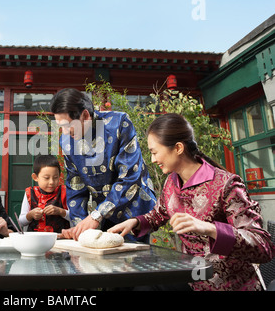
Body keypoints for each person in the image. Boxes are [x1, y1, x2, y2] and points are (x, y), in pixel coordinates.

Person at [108, 113, 275, 291]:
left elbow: (262, 246)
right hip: (193, 279)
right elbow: (158, 215)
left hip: (232, 285)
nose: (153, 160)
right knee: (137, 285)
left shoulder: (226, 184)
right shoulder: (171, 182)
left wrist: (210, 229)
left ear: (178, 148)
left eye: (155, 152)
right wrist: (134, 222)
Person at [50, 88, 156, 241]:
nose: (65, 132)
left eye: (68, 126)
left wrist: (97, 214)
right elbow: (75, 186)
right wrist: (79, 228)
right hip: (102, 213)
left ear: (85, 115)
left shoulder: (119, 123)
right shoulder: (66, 142)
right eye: (61, 127)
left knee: (134, 259)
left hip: (133, 207)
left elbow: (130, 177)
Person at [18, 155, 70, 232]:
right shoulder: (30, 193)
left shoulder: (64, 192)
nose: (51, 182)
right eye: (46, 178)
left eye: (55, 177)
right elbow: (21, 222)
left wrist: (60, 211)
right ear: (35, 177)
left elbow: (75, 218)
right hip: (35, 240)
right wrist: (30, 215)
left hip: (60, 239)